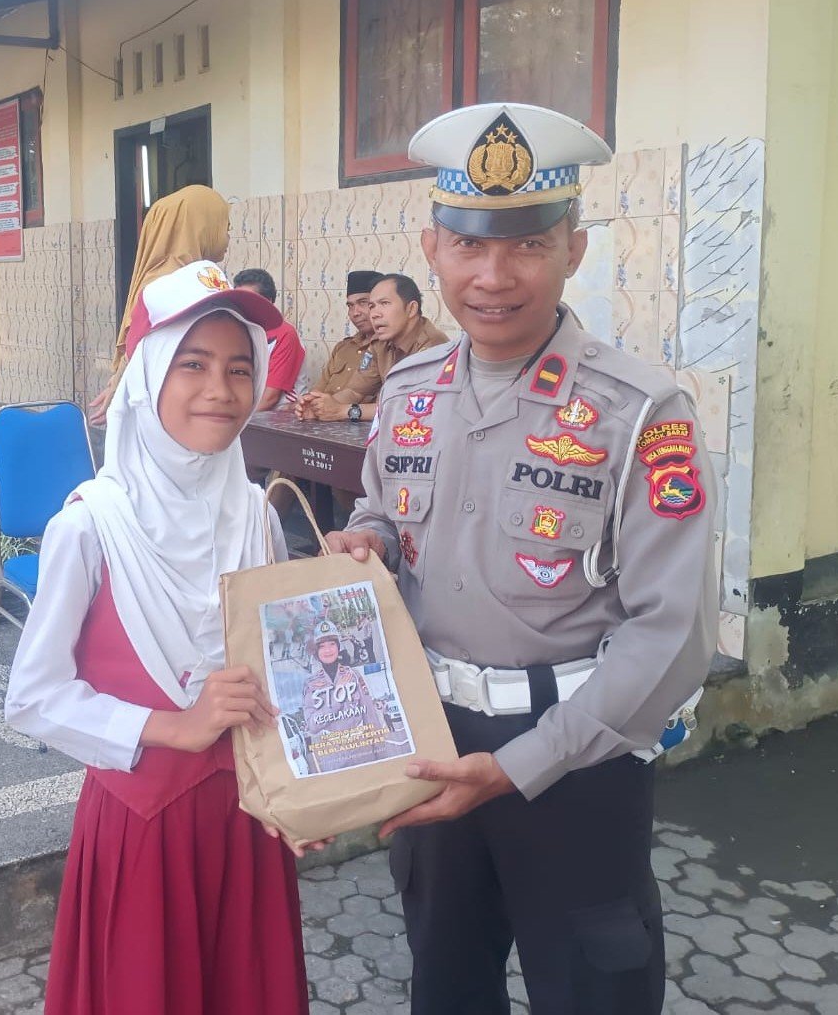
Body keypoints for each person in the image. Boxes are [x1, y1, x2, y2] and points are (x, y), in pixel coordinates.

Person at [324, 103, 717, 1014]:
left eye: (529, 246)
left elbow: (674, 633)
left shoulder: (639, 410)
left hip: (575, 762)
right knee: (446, 982)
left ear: (572, 250)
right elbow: (382, 510)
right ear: (431, 247)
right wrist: (367, 541)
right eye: (467, 246)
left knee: (592, 990)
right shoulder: (409, 389)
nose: (492, 277)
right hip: (429, 742)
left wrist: (518, 766)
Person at [5, 260, 312, 1015]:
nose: (220, 389)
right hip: (143, 826)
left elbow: (281, 676)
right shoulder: (90, 526)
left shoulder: (256, 517)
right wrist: (172, 725)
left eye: (241, 368)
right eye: (193, 365)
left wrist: (313, 792)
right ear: (145, 377)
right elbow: (33, 698)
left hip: (249, 821)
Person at [87, 184, 232, 425]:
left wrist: (118, 383)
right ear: (201, 227)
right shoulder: (172, 283)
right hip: (170, 414)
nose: (228, 236)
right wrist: (118, 386)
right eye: (224, 227)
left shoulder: (191, 276)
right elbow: (140, 345)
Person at [293, 270, 385, 423]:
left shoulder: (390, 349)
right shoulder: (343, 348)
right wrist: (309, 404)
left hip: (359, 430)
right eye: (350, 305)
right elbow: (318, 391)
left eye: (363, 303)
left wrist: (338, 410)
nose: (355, 313)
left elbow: (394, 408)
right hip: (323, 424)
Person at [298, 620, 390, 774]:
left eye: (332, 644)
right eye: (322, 646)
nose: (327, 650)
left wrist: (381, 755)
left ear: (339, 646)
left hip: (362, 751)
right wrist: (337, 698)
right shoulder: (311, 684)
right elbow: (313, 726)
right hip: (333, 757)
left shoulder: (353, 674)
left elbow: (370, 715)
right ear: (316, 651)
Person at [233, 267, 306, 411]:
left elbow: (270, 398)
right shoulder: (239, 331)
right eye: (239, 300)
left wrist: (236, 422)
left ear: (268, 302)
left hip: (281, 418)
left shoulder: (285, 333)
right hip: (249, 413)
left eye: (249, 300)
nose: (242, 306)